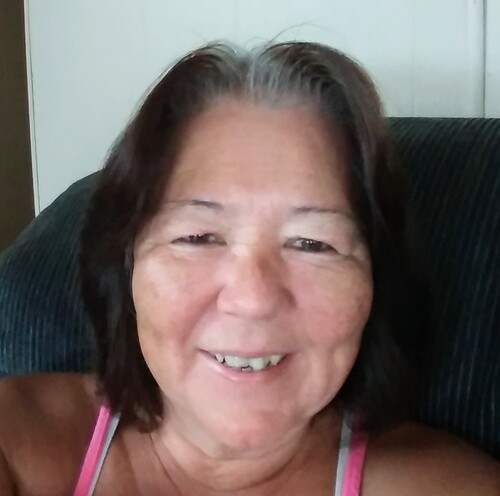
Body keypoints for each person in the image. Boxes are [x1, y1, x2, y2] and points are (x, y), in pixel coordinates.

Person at [0, 41, 498, 496]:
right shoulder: (18, 445)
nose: (253, 298)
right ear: (125, 267)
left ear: (375, 284)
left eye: (313, 243)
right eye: (198, 237)